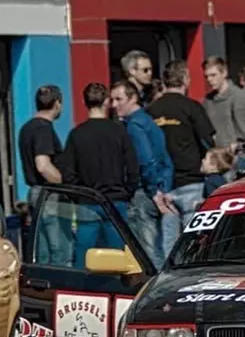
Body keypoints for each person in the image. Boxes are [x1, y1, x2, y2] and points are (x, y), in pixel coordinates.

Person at [58, 83, 139, 268]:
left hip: (87, 203)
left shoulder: (76, 135)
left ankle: (81, 292)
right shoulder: (119, 131)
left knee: (84, 258)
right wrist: (128, 191)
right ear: (107, 102)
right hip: (116, 201)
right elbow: (133, 167)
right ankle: (114, 293)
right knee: (117, 259)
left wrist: (78, 196)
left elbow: (68, 173)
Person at [146, 60, 217, 257]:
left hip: (163, 187)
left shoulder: (151, 110)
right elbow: (208, 142)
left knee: (168, 246)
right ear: (185, 79)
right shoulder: (192, 107)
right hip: (191, 181)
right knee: (194, 243)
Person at [111, 80, 174, 267]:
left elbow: (146, 160)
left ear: (132, 98)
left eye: (119, 99)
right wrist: (164, 188)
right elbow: (166, 160)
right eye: (112, 99)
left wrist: (154, 191)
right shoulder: (148, 121)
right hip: (154, 189)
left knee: (146, 253)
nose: (114, 105)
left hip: (143, 193)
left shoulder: (135, 125)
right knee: (155, 245)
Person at [17, 85, 68, 265]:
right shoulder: (43, 129)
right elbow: (43, 165)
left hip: (35, 193)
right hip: (48, 194)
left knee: (41, 251)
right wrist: (65, 184)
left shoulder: (27, 128)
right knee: (59, 249)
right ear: (57, 103)